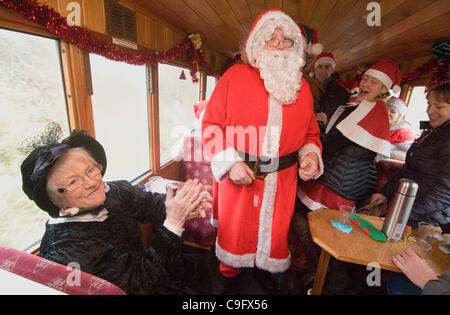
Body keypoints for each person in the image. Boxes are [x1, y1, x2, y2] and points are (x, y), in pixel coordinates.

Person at [201, 9, 323, 278]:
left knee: (273, 242)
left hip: (283, 182)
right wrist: (230, 163)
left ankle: (265, 279)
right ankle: (228, 281)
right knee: (233, 245)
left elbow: (311, 135)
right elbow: (210, 126)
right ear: (257, 44)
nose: (279, 45)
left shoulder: (303, 89)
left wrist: (311, 156)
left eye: (286, 40)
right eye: (271, 38)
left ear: (296, 46)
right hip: (239, 177)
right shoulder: (234, 77)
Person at [20, 130, 212, 294]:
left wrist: (181, 203)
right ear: (55, 201)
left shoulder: (109, 192)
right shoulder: (66, 250)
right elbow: (139, 284)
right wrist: (173, 222)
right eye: (72, 182)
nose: (92, 183)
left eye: (90, 170)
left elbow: (148, 203)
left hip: (153, 270)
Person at [292, 59, 401, 288]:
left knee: (311, 221)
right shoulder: (359, 105)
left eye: (374, 82)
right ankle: (324, 271)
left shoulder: (375, 110)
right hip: (339, 177)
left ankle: (324, 273)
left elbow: (333, 143)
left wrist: (305, 142)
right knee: (316, 222)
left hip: (340, 183)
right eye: (365, 79)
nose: (367, 83)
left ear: (384, 89)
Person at [370, 82, 450, 229]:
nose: (430, 111)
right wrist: (385, 194)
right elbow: (409, 169)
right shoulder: (432, 133)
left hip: (425, 220)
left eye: (438, 106)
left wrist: (405, 215)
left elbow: (445, 192)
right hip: (407, 209)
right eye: (429, 104)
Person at [309, 52, 351, 129]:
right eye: (320, 67)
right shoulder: (305, 87)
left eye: (327, 67)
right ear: (315, 69)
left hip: (326, 137)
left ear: (332, 70)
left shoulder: (343, 93)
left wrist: (328, 121)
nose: (323, 71)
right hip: (305, 133)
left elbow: (344, 120)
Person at [385, 96, 415, 161]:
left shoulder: (403, 133)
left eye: (392, 112)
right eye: (385, 110)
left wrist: (389, 153)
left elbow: (411, 154)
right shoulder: (381, 127)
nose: (387, 113)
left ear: (399, 115)